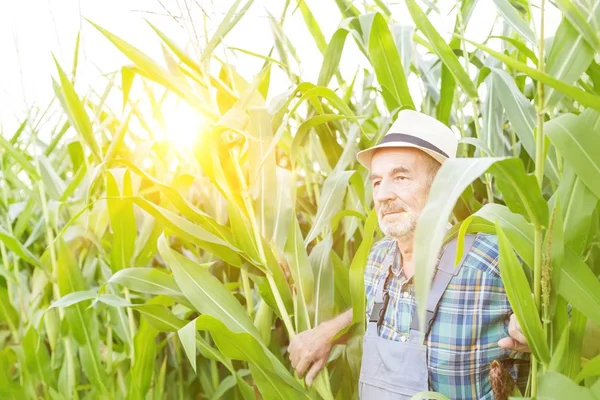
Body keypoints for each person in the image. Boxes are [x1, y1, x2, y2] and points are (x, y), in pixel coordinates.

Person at [287, 110, 530, 399]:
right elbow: (376, 314)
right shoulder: (376, 260)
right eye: (377, 182)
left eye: (400, 177)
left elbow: (571, 314)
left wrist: (534, 328)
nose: (382, 195)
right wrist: (328, 332)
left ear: (443, 184)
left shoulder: (492, 259)